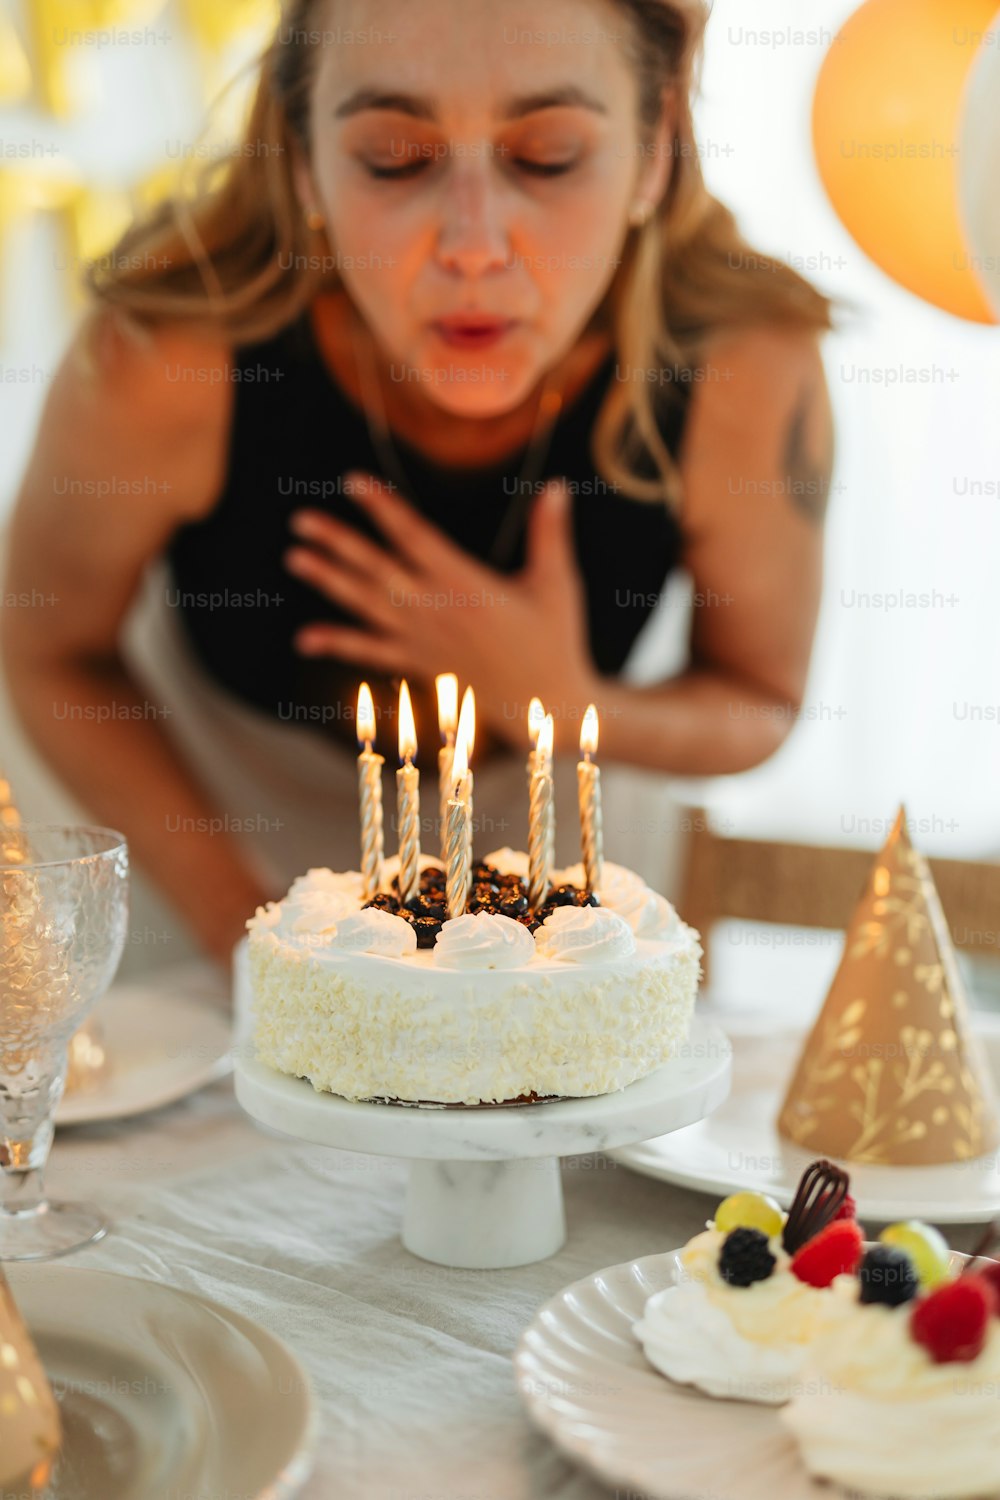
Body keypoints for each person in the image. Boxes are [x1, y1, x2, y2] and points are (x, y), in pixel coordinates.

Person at [0, 0, 834, 964]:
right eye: (394, 156)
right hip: (199, 851)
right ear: (306, 160)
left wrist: (555, 699)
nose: (473, 243)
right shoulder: (168, 354)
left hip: (556, 872)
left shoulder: (746, 365)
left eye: (550, 156)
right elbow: (45, 649)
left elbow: (760, 697)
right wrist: (247, 933)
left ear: (655, 151)